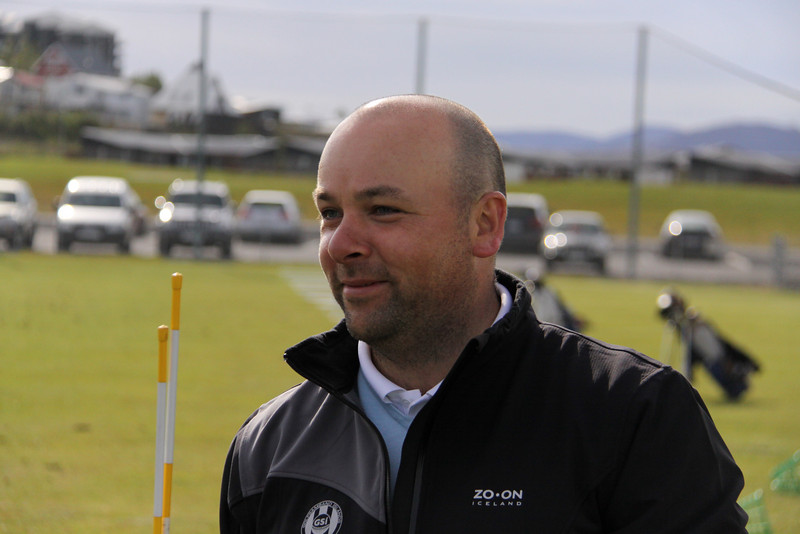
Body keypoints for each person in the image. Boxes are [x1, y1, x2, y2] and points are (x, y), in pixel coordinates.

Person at [220, 95, 748, 533]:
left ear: (485, 225)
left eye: (382, 210)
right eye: (330, 213)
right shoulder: (270, 447)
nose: (341, 244)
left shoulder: (633, 416)